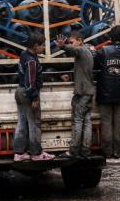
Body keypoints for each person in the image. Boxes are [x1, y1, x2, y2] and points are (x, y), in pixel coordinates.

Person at [13, 33, 55, 162]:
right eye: (42, 45)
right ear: (36, 45)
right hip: (27, 93)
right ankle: (37, 153)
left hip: (19, 91)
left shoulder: (24, 54)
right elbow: (30, 81)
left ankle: (19, 153)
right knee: (34, 123)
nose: (43, 48)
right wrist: (35, 98)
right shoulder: (31, 60)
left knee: (22, 122)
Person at [95, 25, 120, 158]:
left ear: (111, 37)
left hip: (105, 93)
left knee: (106, 123)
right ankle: (118, 150)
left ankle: (107, 152)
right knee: (119, 124)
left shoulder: (103, 51)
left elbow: (95, 65)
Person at [54, 31, 95, 158]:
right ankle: (85, 150)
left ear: (80, 40)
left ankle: (73, 151)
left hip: (83, 93)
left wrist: (63, 46)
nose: (71, 45)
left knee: (78, 120)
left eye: (72, 42)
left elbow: (72, 51)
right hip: (88, 91)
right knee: (87, 121)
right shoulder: (88, 51)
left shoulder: (82, 50)